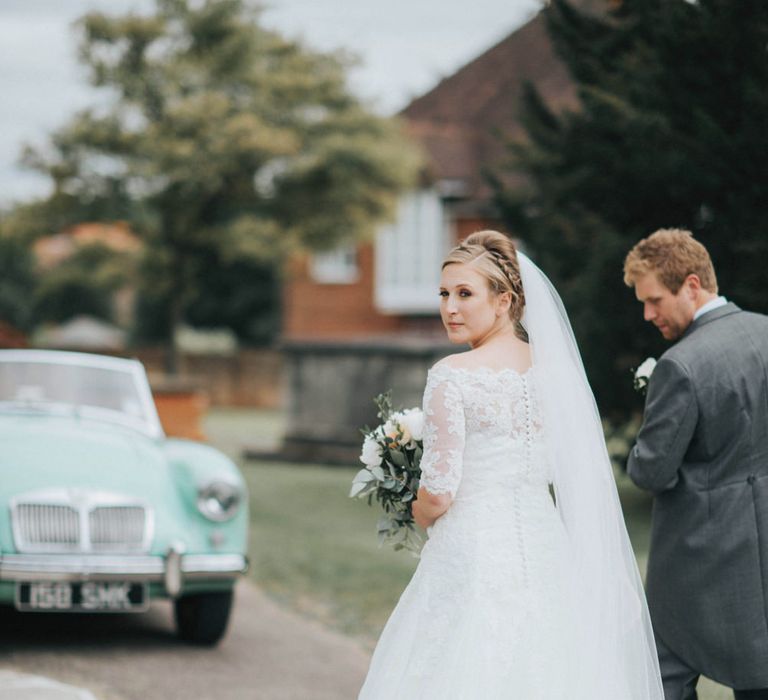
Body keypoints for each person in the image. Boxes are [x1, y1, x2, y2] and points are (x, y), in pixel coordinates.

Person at [358, 230, 663, 699]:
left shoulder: (450, 376)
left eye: (465, 294)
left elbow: (439, 492)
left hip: (473, 551)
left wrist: (418, 511)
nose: (450, 308)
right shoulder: (552, 369)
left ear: (504, 301)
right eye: (444, 294)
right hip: (544, 545)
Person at [624, 228, 768, 700]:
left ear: (691, 285)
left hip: (697, 560)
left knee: (663, 676)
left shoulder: (680, 365)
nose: (647, 315)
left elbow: (651, 471)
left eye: (655, 300)